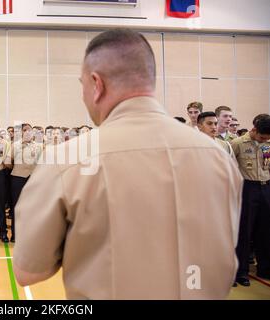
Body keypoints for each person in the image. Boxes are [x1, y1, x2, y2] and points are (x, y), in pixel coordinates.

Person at [13, 28, 242, 299]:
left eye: (82, 85)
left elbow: (29, 270)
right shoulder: (219, 157)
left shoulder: (68, 158)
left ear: (96, 84)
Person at [230, 115, 270, 286]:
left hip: (266, 187)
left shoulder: (268, 143)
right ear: (254, 129)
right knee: (245, 231)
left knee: (266, 230)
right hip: (247, 189)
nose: (264, 140)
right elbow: (230, 168)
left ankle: (265, 268)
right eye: (262, 137)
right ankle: (242, 271)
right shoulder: (237, 144)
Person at [10, 123, 42, 243]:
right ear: (21, 132)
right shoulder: (15, 145)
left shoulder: (38, 146)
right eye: (25, 130)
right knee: (17, 207)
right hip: (18, 178)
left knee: (33, 208)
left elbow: (41, 162)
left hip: (33, 178)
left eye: (29, 130)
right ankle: (15, 234)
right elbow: (8, 161)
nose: (27, 132)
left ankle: (32, 235)